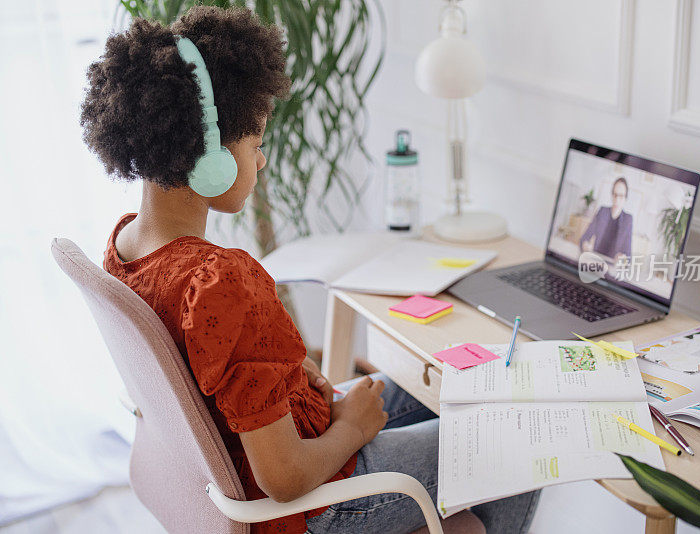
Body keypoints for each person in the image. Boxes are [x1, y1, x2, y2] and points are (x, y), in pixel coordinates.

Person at [81, 7, 539, 534]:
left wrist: (300, 384)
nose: (263, 162)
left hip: (287, 444)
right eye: (256, 145)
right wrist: (352, 429)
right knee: (515, 437)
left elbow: (226, 374)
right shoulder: (219, 280)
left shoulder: (126, 246)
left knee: (442, 386)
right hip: (313, 504)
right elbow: (284, 477)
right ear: (210, 159)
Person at [580, 177, 633, 261]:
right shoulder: (602, 211)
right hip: (595, 261)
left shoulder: (628, 220)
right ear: (612, 195)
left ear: (625, 198)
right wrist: (585, 245)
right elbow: (585, 237)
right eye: (615, 195)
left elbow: (628, 254)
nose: (617, 200)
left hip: (611, 266)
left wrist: (623, 258)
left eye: (621, 196)